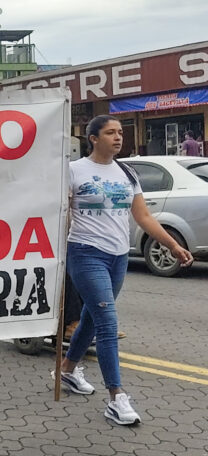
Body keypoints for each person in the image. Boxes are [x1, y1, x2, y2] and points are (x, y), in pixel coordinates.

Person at [55, 115, 194, 426]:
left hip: (118, 256)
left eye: (120, 132)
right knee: (106, 322)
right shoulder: (73, 171)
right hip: (85, 253)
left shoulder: (127, 172)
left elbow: (143, 216)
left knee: (92, 316)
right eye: (110, 132)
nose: (118, 138)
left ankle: (67, 370)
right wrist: (57, 253)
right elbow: (62, 214)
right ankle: (117, 397)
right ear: (93, 138)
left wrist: (172, 245)